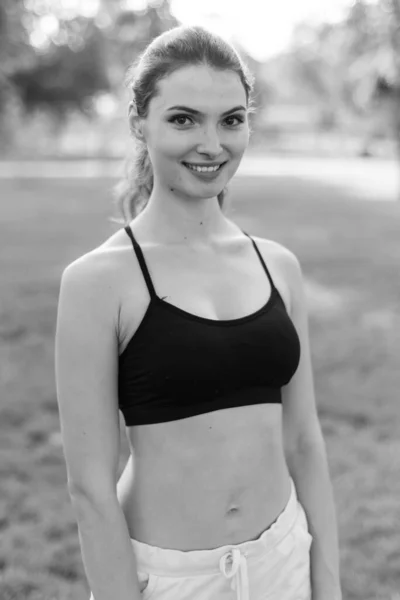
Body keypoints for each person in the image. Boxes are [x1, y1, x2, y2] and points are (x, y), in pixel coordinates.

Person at [55, 24, 342, 600]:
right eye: (184, 119)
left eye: (231, 120)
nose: (212, 144)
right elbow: (90, 486)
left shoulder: (277, 266)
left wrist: (325, 585)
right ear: (140, 122)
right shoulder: (96, 282)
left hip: (281, 559)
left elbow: (305, 442)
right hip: (168, 580)